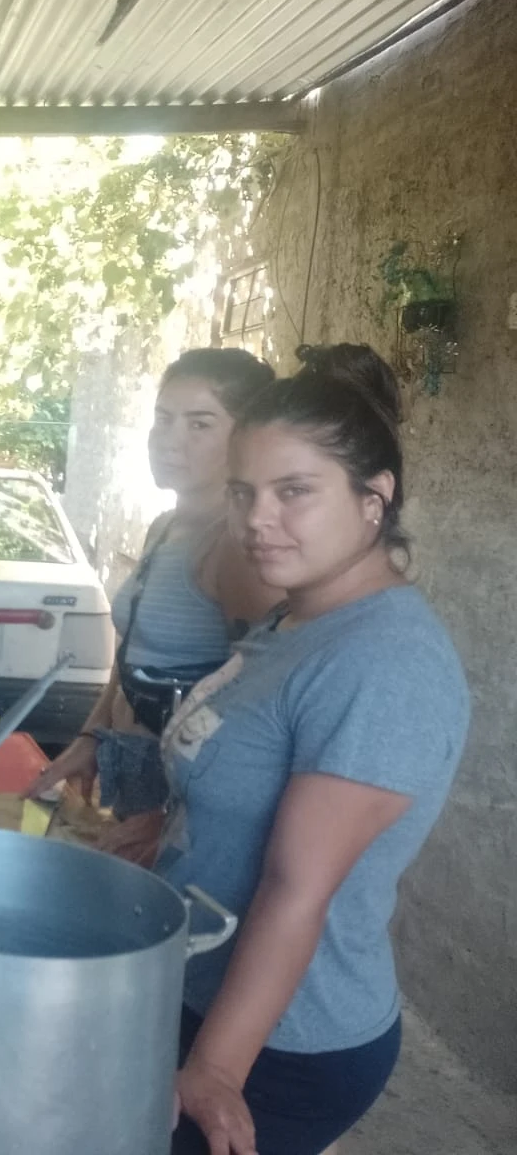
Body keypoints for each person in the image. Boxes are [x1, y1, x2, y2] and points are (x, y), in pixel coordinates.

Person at [163, 344, 468, 1155]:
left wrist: (217, 1071)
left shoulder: (382, 661)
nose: (258, 519)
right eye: (244, 493)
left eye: (294, 492)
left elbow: (301, 888)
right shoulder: (297, 620)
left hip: (283, 1043)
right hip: (200, 991)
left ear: (375, 500)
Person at [28, 348, 281, 859]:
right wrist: (91, 736)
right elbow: (132, 655)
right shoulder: (165, 528)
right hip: (135, 771)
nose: (170, 439)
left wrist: (172, 818)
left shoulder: (234, 548)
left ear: (246, 437)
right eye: (163, 419)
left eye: (199, 424)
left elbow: (260, 710)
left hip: (183, 799)